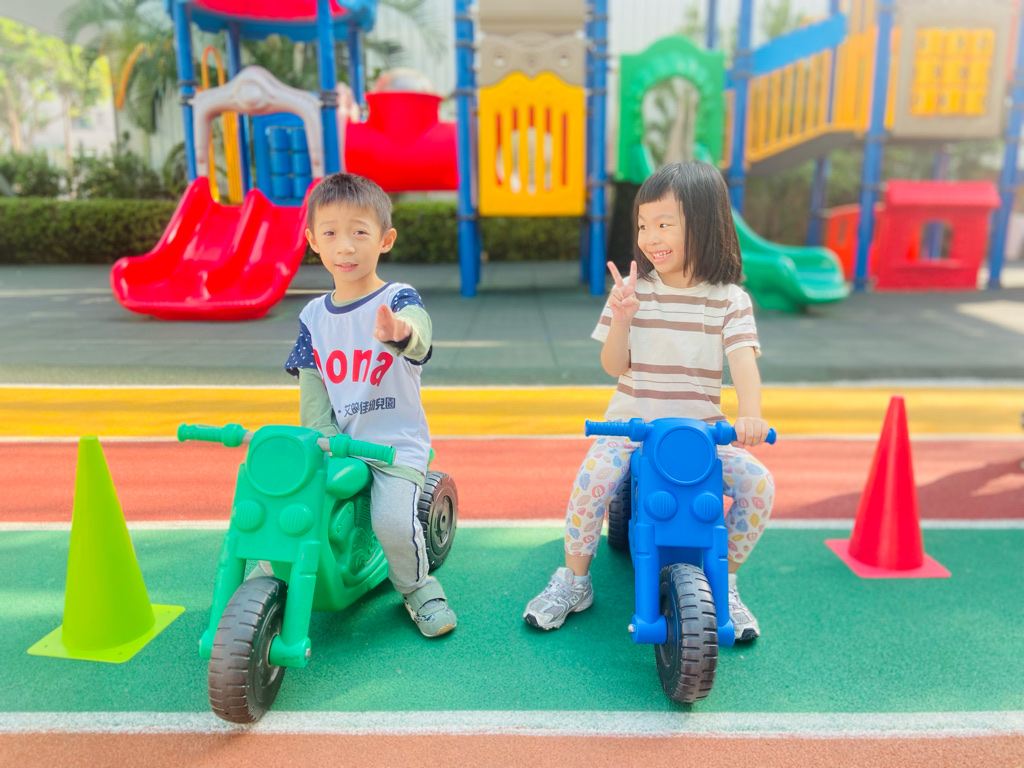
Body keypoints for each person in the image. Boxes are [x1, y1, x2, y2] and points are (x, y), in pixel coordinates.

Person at [523, 161, 775, 640]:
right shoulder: (632, 291)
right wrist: (622, 318)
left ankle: (726, 580)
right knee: (592, 480)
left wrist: (750, 416)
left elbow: (743, 363)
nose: (650, 237)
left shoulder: (729, 300)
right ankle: (574, 579)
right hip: (632, 429)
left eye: (664, 224)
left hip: (701, 434)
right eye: (643, 225)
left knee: (759, 486)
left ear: (705, 224)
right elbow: (613, 365)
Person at [284, 172, 456, 637]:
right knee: (293, 504)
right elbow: (313, 387)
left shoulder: (397, 297)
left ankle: (417, 587)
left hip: (394, 446)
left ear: (385, 240)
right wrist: (320, 439)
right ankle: (273, 572)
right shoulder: (313, 316)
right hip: (340, 444)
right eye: (330, 234)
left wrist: (401, 332)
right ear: (312, 241)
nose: (345, 247)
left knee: (393, 523)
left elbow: (419, 334)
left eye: (359, 232)